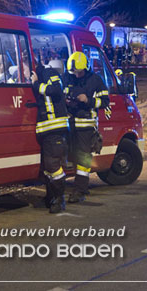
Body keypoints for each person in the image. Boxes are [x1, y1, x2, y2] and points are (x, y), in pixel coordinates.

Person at [62, 52, 109, 203]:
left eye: (78, 72)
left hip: (85, 125)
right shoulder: (67, 76)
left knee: (83, 159)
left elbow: (105, 101)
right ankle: (82, 185)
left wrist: (88, 100)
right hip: (69, 125)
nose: (75, 75)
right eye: (73, 72)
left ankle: (79, 191)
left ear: (86, 68)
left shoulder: (95, 80)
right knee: (72, 157)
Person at [31, 64, 70, 213]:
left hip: (54, 130)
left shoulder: (49, 72)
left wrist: (36, 84)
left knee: (53, 167)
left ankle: (60, 200)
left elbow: (55, 90)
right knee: (47, 168)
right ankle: (51, 198)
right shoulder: (41, 75)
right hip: (46, 131)